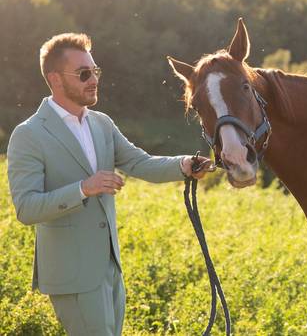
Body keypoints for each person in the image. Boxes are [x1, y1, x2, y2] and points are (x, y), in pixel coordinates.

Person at [7, 33, 211, 336]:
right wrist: (83, 188)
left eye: (95, 71)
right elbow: (27, 208)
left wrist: (184, 165)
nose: (94, 80)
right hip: (72, 275)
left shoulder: (101, 123)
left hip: (110, 269)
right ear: (55, 79)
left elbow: (140, 163)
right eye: (83, 74)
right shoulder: (29, 135)